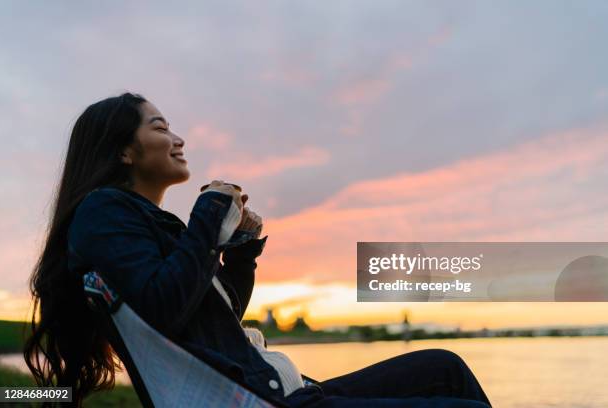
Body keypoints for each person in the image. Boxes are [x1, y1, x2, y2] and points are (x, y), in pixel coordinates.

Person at [24, 92, 492, 407]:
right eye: (161, 127)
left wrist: (240, 253)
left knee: (444, 367)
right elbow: (163, 308)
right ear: (123, 151)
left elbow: (210, 324)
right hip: (265, 399)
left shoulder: (142, 224)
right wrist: (209, 211)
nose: (178, 139)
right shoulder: (103, 211)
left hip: (281, 386)